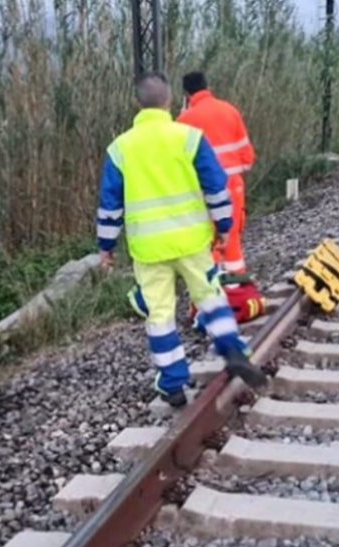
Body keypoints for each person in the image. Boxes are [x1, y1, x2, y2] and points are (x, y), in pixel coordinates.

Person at [96, 72, 267, 408]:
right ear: (171, 100)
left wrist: (106, 249)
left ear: (137, 103)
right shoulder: (189, 138)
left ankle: (173, 382)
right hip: (192, 242)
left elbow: (109, 205)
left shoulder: (120, 148)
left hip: (149, 249)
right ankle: (232, 349)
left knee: (159, 313)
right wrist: (223, 226)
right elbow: (216, 187)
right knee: (209, 296)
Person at [177, 71, 255, 276]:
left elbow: (179, 166)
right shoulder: (230, 111)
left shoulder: (184, 120)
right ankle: (238, 287)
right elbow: (247, 158)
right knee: (232, 240)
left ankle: (211, 292)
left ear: (186, 95)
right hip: (233, 187)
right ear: (207, 86)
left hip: (202, 192)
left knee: (207, 243)